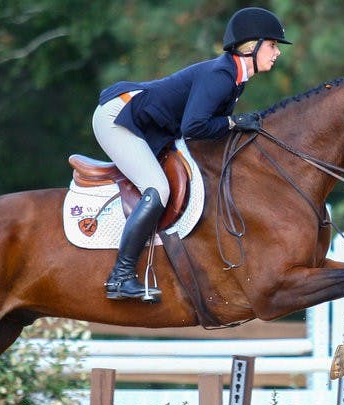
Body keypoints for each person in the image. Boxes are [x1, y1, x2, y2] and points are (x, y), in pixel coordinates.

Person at [93, 7, 291, 302]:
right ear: (252, 46)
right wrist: (233, 122)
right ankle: (120, 277)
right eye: (272, 45)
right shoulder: (222, 75)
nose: (277, 52)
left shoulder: (235, 77)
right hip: (118, 117)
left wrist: (233, 125)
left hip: (146, 122)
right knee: (158, 188)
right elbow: (194, 127)